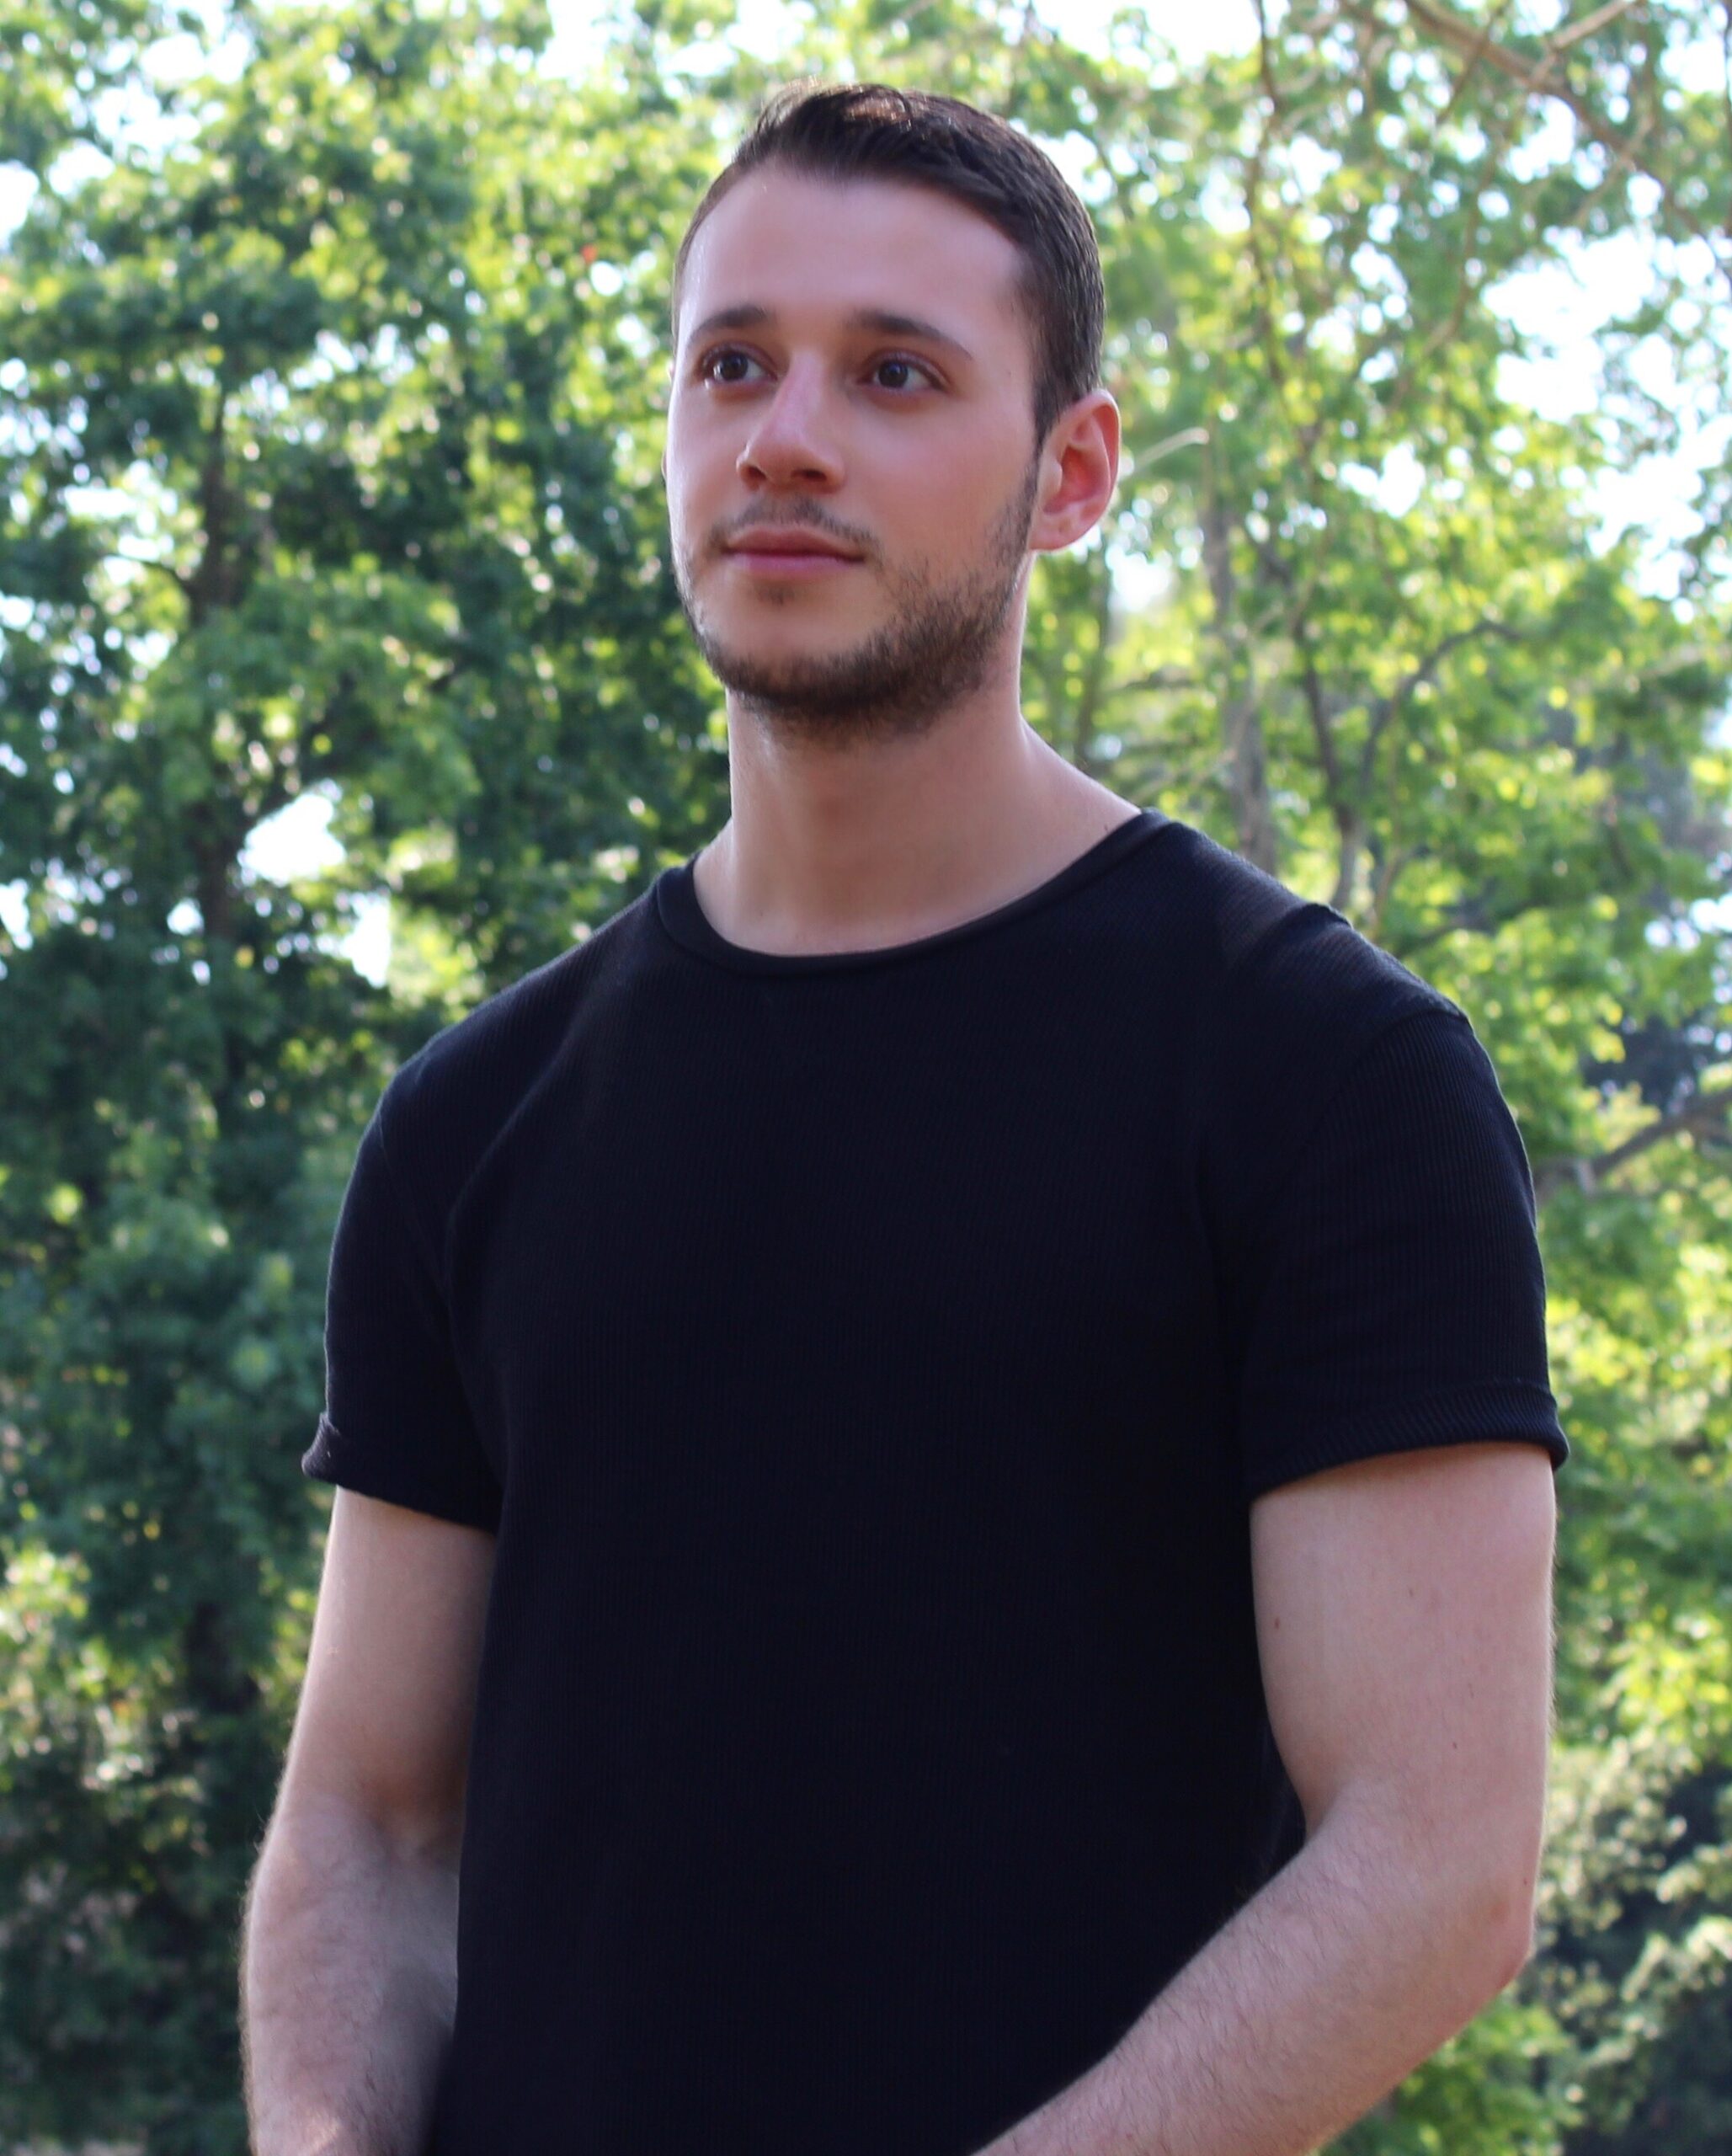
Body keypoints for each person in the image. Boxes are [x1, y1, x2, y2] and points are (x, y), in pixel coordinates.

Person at [240, 80, 1569, 2156]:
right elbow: (369, 1819)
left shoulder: (1323, 1075)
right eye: (732, 363)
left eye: (895, 372)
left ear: (1073, 474)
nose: (785, 435)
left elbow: (1437, 1860)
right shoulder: (472, 1122)